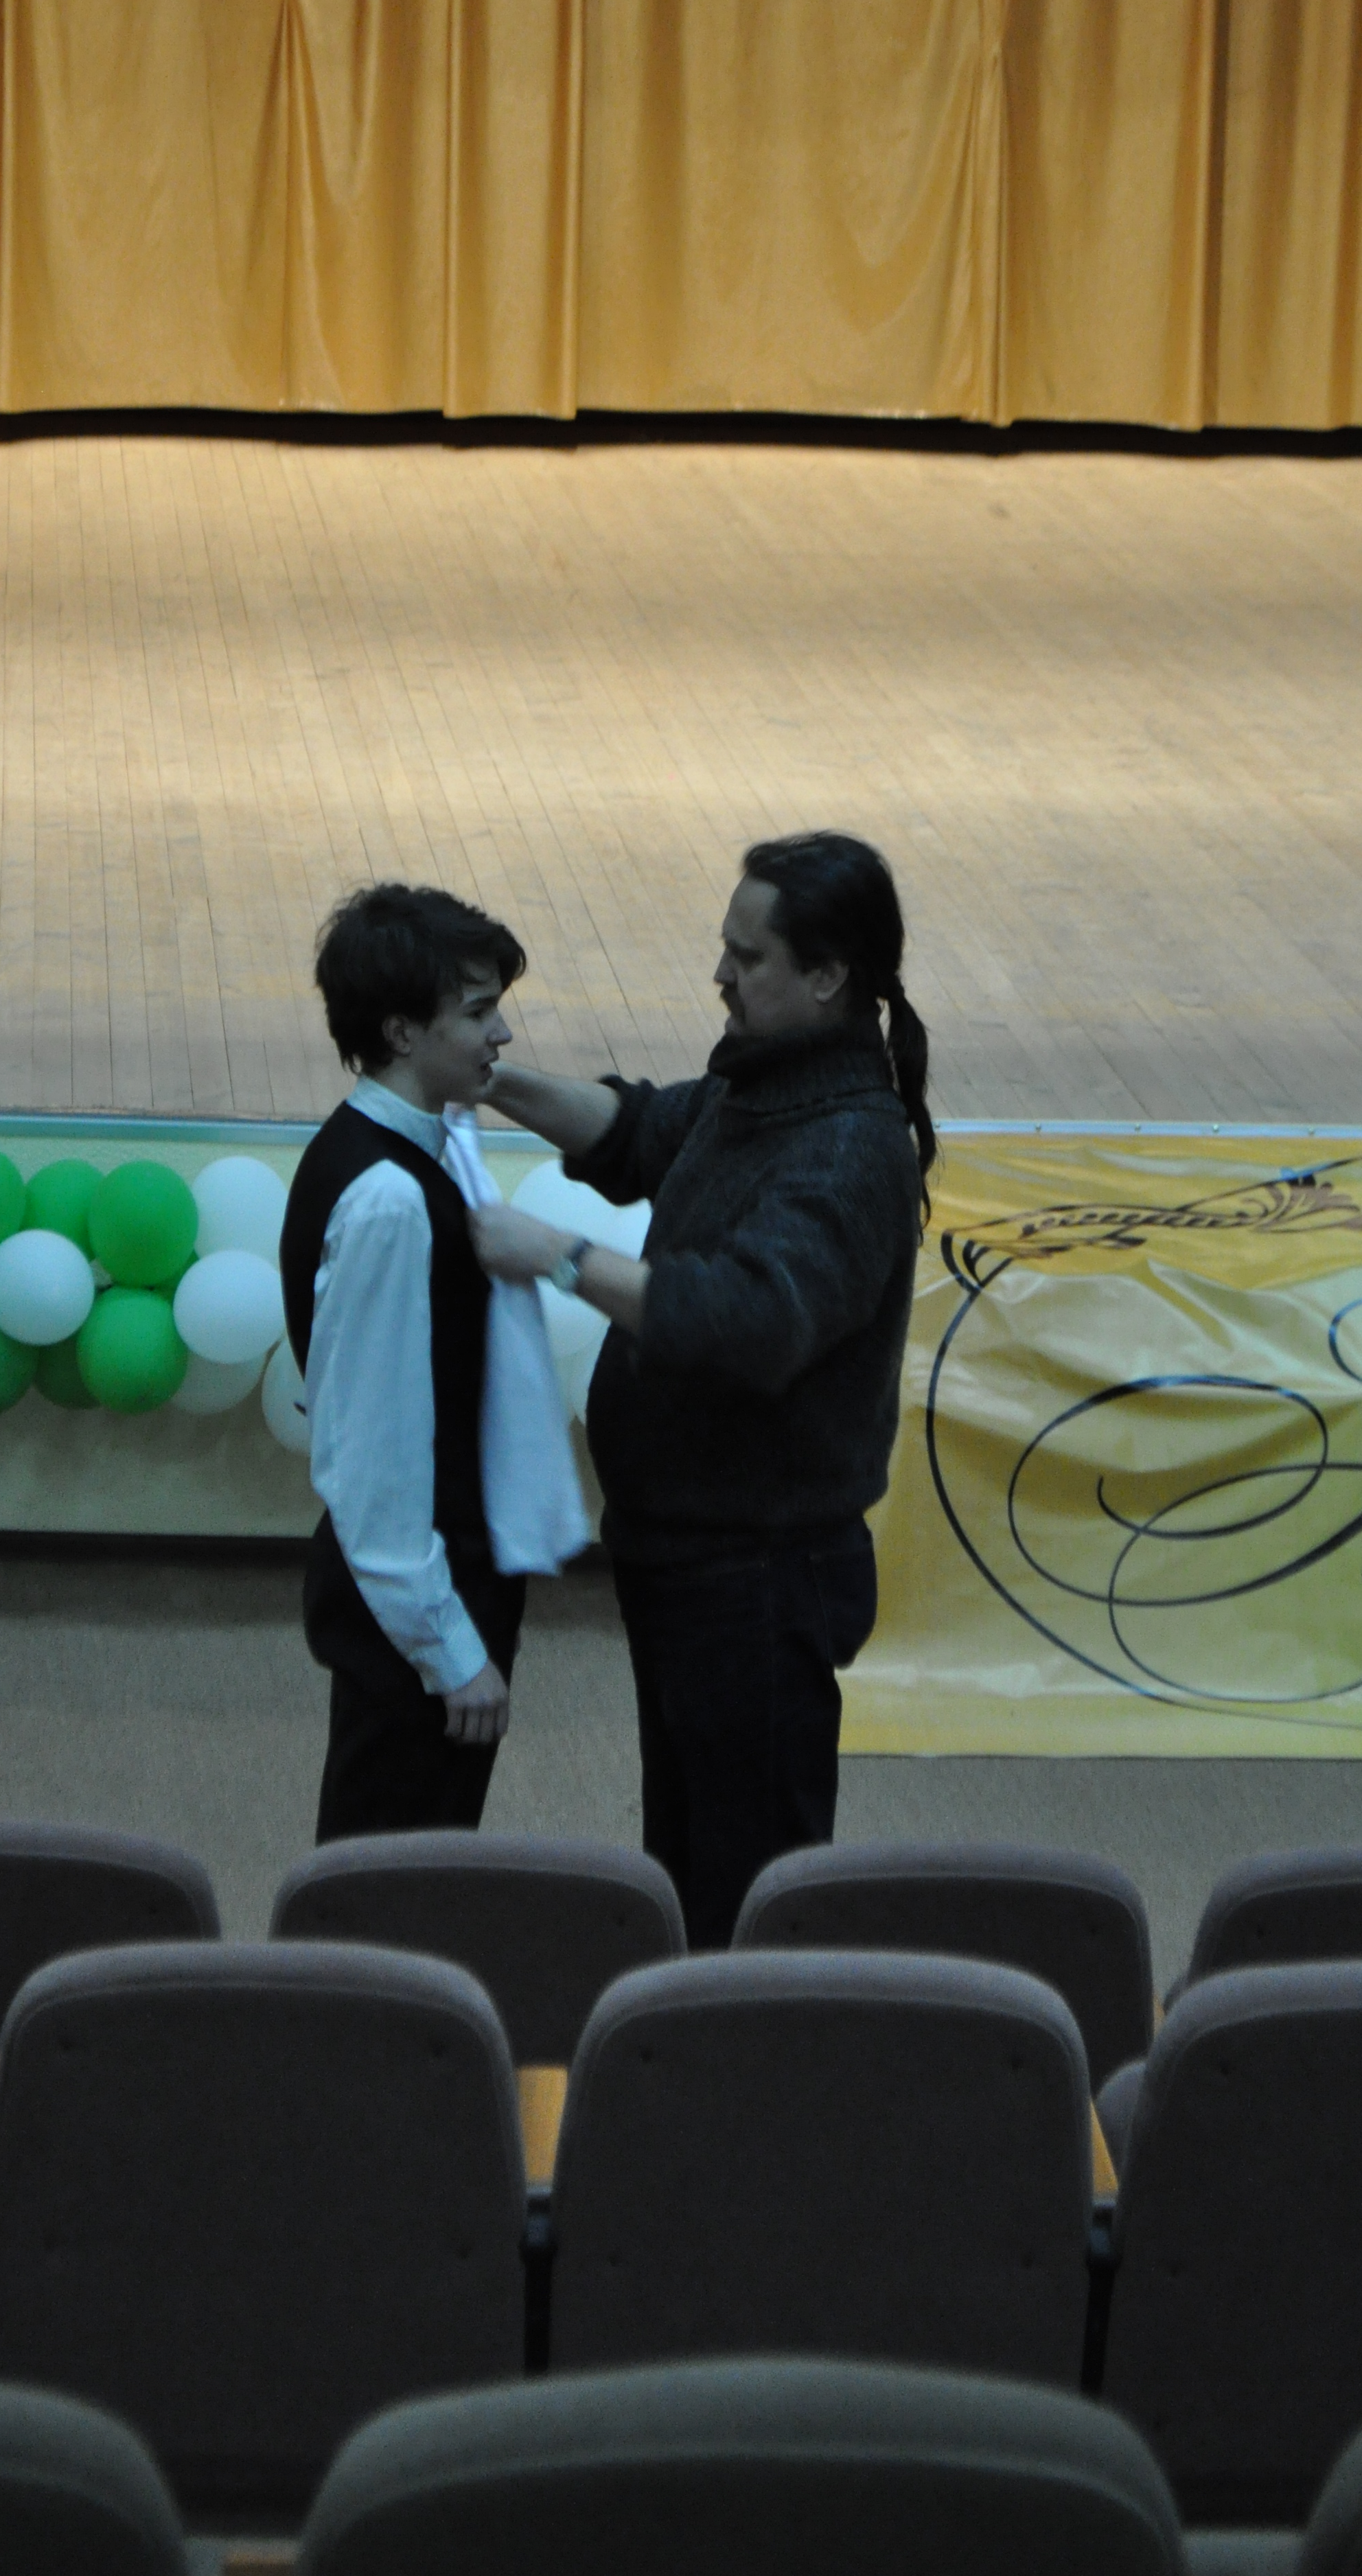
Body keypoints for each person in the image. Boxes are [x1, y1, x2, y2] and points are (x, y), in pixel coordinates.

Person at [472, 831, 936, 1947]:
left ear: (826, 976)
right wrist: (488, 1080)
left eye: (749, 955)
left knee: (749, 1891)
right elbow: (644, 1132)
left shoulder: (849, 1149)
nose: (720, 973)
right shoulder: (765, 1082)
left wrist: (558, 1257)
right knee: (687, 1866)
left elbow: (747, 1320)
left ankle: (746, 2054)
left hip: (759, 1581)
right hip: (691, 1559)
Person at [281, 882, 583, 1842]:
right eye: (480, 1012)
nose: (502, 1035)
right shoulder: (389, 1200)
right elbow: (371, 1455)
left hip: (441, 1586)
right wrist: (448, 1647)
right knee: (390, 1881)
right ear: (403, 1032)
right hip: (420, 1610)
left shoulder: (417, 1149)